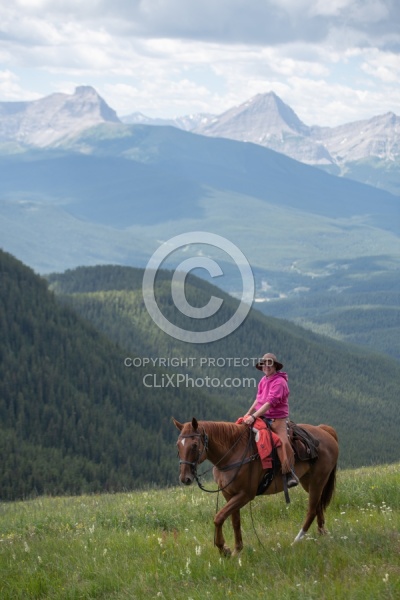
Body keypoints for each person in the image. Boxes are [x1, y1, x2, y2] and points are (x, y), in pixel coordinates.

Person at [242, 353, 299, 488]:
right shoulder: (263, 380)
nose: (266, 366)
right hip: (262, 416)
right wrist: (248, 413)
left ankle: (289, 472)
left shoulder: (280, 382)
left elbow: (269, 403)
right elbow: (258, 399)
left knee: (282, 442)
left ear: (274, 366)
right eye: (264, 364)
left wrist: (254, 416)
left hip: (277, 418)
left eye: (269, 363)